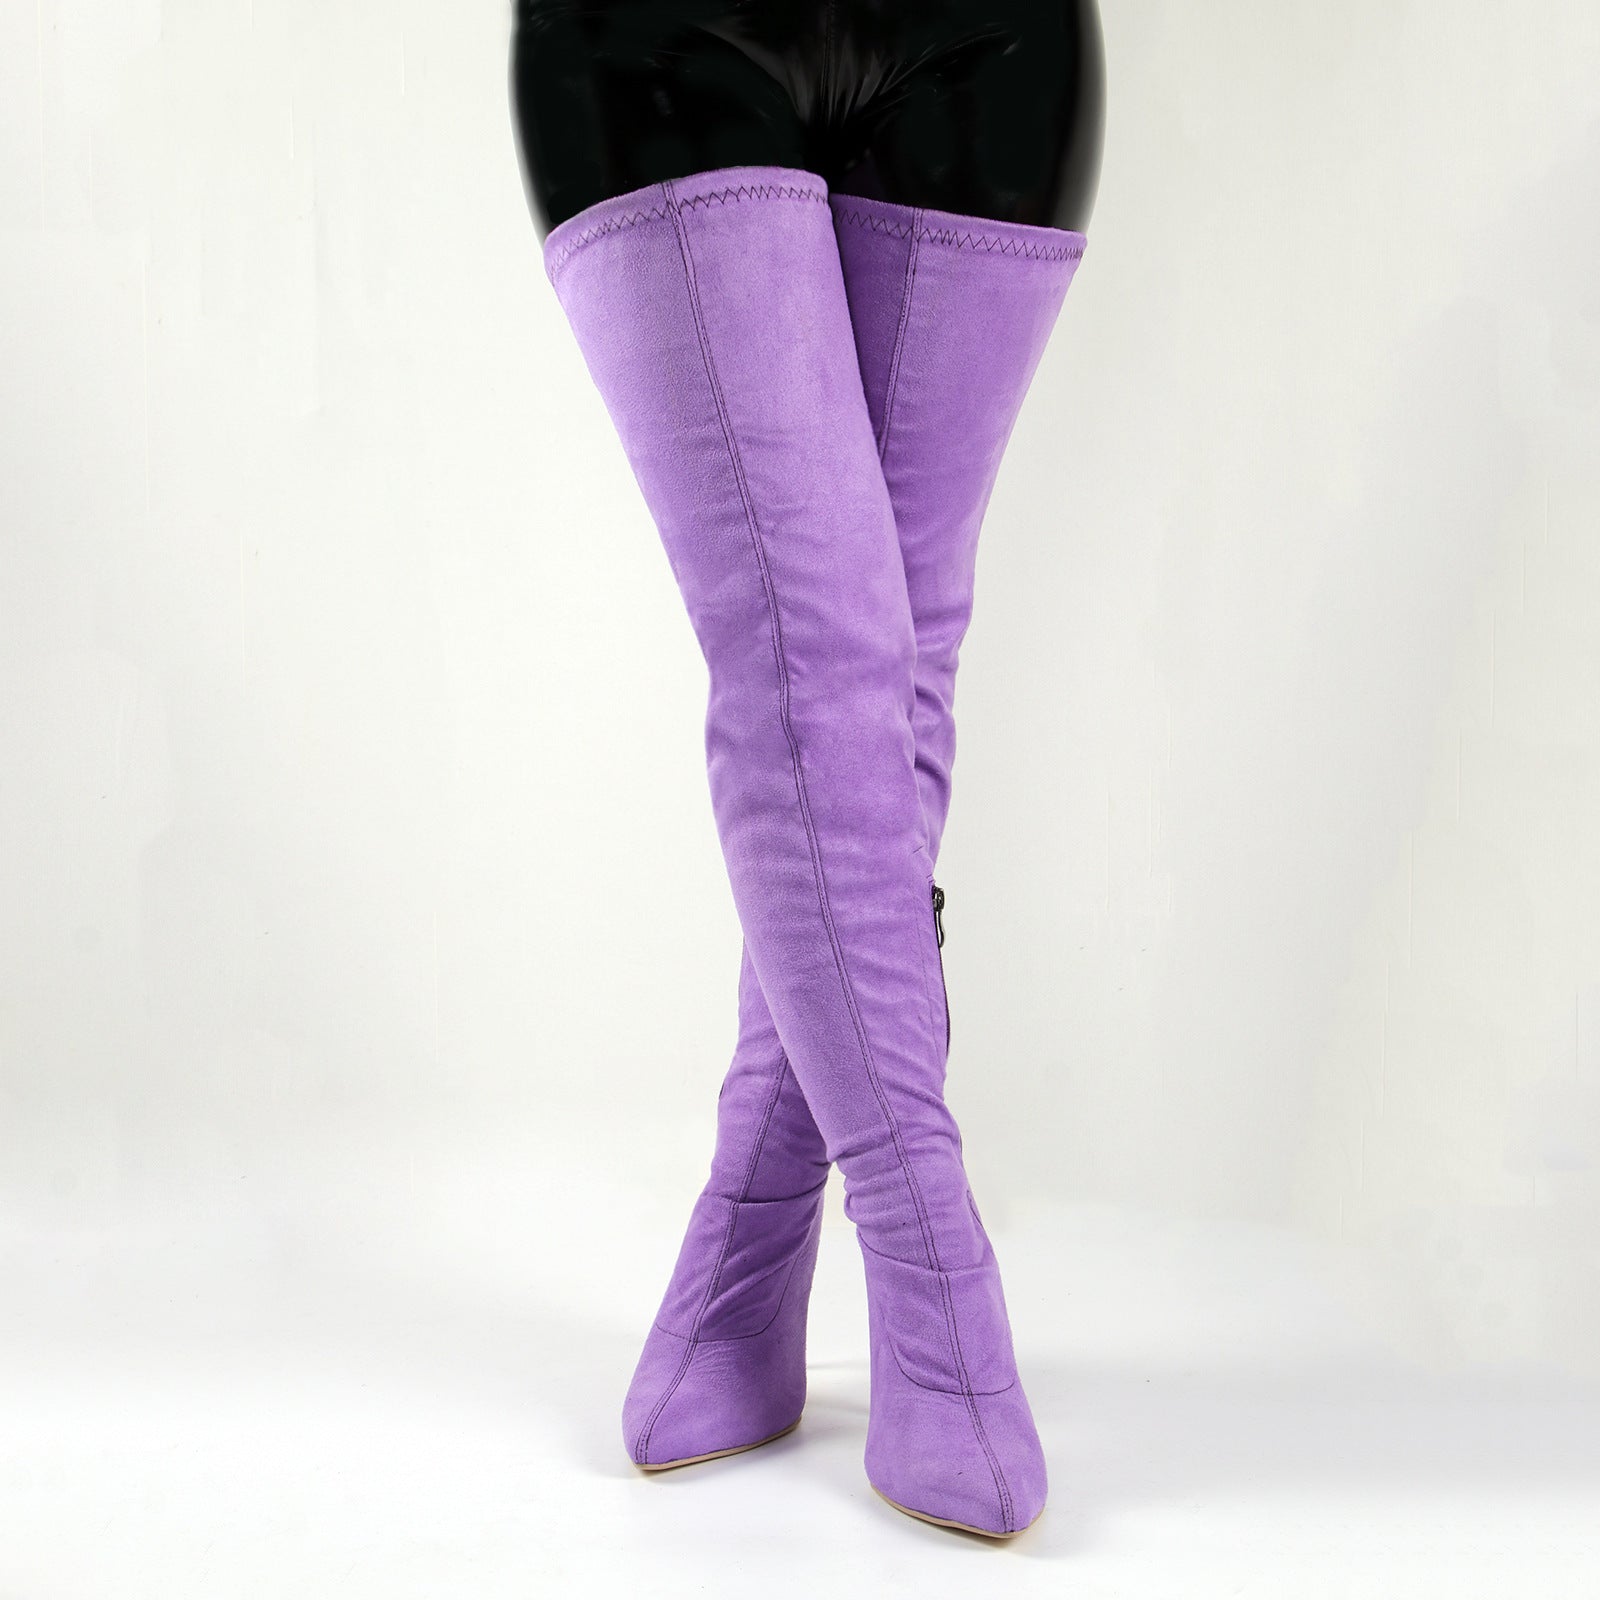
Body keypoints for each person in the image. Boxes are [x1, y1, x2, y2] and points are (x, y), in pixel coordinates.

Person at [508, 0, 1106, 1539]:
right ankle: (933, 1275)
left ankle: (748, 1249)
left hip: (998, 34)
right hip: (658, 26)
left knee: (894, 665)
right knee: (815, 645)